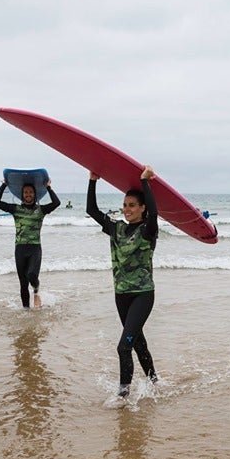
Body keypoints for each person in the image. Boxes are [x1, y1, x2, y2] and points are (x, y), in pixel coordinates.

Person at [86, 166, 159, 397]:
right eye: (125, 205)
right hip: (121, 295)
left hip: (143, 294)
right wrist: (93, 181)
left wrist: (145, 182)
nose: (127, 209)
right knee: (137, 343)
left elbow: (155, 214)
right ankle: (156, 382)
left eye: (132, 205)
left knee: (123, 346)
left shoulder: (148, 230)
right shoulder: (116, 228)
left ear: (142, 208)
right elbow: (91, 209)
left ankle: (123, 396)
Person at [0, 179, 61, 308]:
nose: (28, 194)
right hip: (20, 249)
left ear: (35, 195)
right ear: (22, 195)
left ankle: (36, 291)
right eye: (25, 192)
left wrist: (48, 188)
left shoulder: (41, 210)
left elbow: (56, 203)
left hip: (35, 248)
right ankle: (26, 311)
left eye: (30, 192)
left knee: (32, 274)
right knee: (23, 283)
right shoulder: (15, 209)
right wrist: (4, 185)